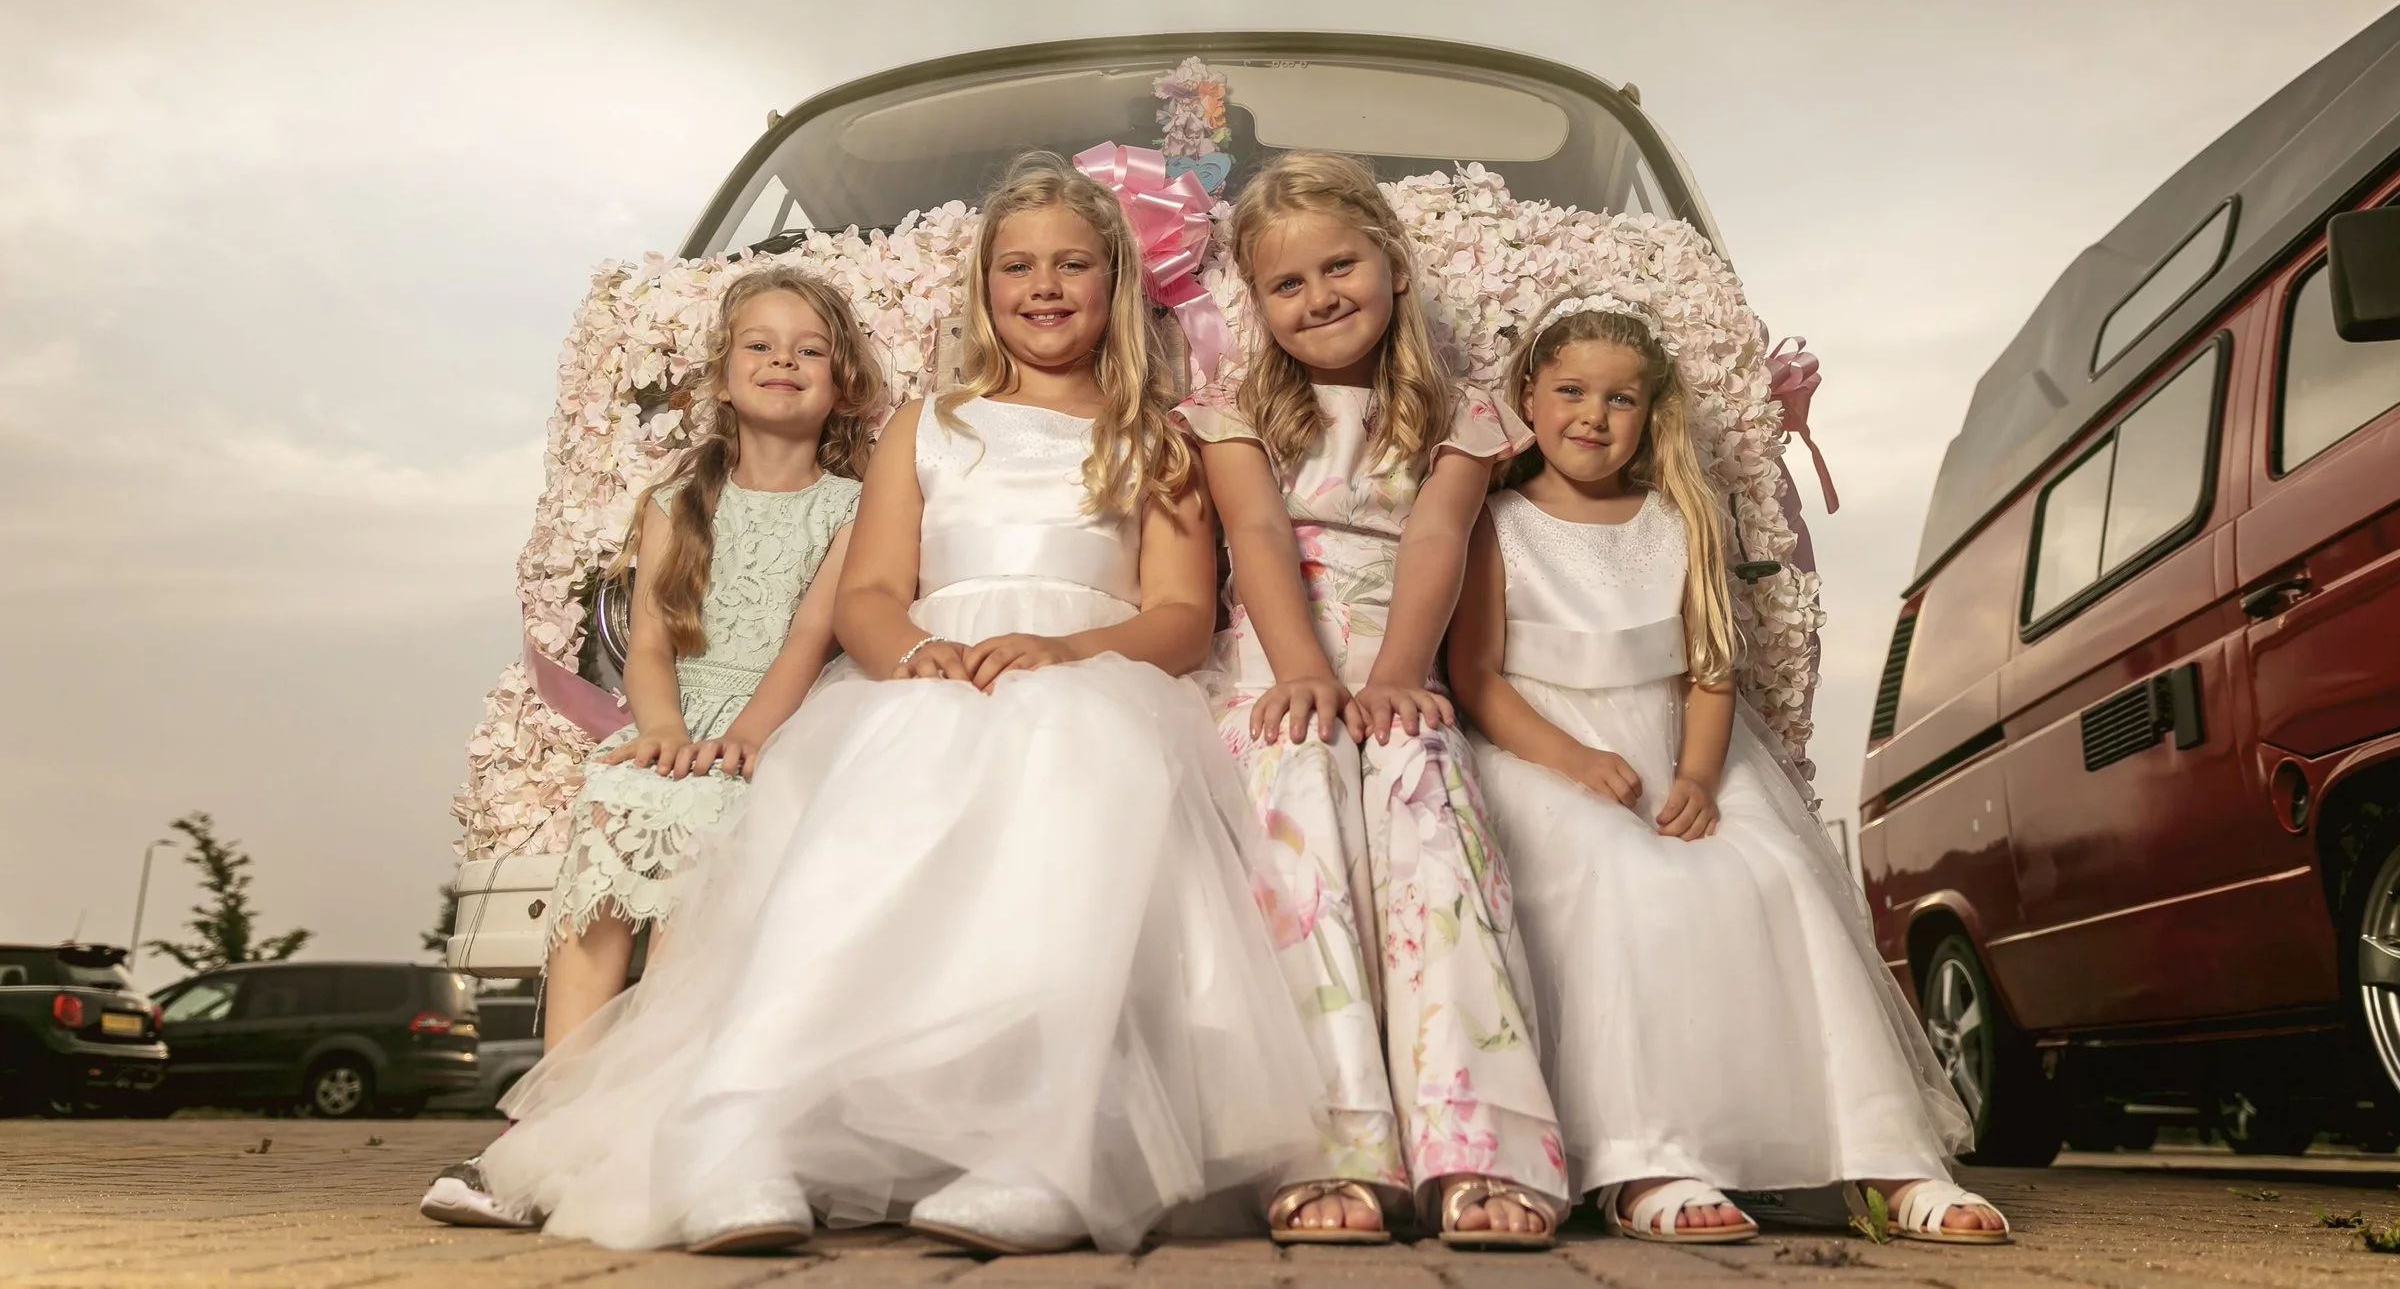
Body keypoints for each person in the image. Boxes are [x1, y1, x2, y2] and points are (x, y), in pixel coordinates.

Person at [475, 152, 1323, 1257]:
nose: (1044, 285)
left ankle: (1047, 1139)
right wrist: (916, 654)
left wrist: (1063, 650)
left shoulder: (1155, 436)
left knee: (1080, 791)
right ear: (983, 285)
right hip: (931, 671)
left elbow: (1177, 613)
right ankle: (738, 1122)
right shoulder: (928, 423)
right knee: (866, 816)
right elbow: (869, 592)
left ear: (1115, 283)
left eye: (1073, 264)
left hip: (1091, 674)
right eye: (1017, 265)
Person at [1448, 292, 2007, 1246]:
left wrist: (1699, 778)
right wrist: (1574, 759)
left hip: (1679, 745)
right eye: (1572, 391)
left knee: (1777, 875)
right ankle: (1644, 1155)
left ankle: (1883, 1155)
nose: (1593, 415)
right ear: (1528, 395)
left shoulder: (1678, 520)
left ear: (1651, 410)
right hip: (1543, 749)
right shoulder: (1495, 521)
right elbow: (1476, 677)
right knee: (1622, 876)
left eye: (1621, 398)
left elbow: (1711, 669)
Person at [422, 263, 877, 1231]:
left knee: (704, 842)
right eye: (760, 345)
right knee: (616, 809)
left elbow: (809, 636)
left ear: (842, 383)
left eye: (809, 349)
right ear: (723, 376)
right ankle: (551, 1120)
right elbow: (652, 642)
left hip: (777, 724)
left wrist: (748, 736)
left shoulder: (850, 507)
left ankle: (652, 1119)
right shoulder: (680, 499)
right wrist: (662, 728)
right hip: (680, 716)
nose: (784, 361)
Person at [1178, 153, 1568, 1250]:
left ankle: (1475, 1139)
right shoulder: (1233, 414)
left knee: (1422, 788)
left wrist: (1397, 674)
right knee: (1295, 784)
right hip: (1274, 667)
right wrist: (1300, 668)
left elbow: (1437, 535)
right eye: (1285, 283)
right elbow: (1259, 533)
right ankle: (1330, 1138)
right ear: (1256, 303)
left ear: (1394, 264)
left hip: (1400, 661)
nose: (1318, 296)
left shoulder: (1461, 415)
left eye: (1339, 265)